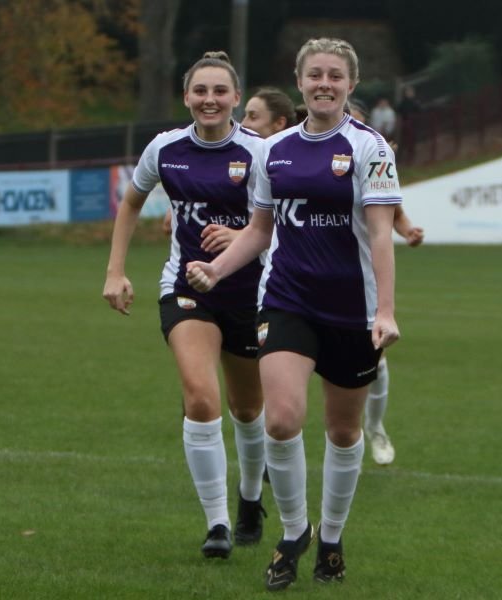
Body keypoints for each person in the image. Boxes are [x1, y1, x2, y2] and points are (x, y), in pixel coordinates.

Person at [185, 37, 401, 590]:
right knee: (281, 419)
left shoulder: (370, 147)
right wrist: (219, 269)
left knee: (344, 431)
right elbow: (259, 230)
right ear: (300, 83)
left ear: (350, 85)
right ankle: (293, 533)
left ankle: (331, 536)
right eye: (314, 75)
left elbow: (380, 233)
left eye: (335, 76)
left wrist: (386, 311)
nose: (324, 84)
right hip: (286, 300)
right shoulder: (272, 149)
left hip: (352, 311)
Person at [102, 51, 268, 560]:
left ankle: (250, 499)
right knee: (200, 397)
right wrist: (115, 270)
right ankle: (216, 522)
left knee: (248, 409)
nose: (210, 99)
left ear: (236, 98)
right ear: (186, 97)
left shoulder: (261, 151)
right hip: (187, 290)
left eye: (220, 91)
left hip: (250, 293)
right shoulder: (165, 149)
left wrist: (238, 235)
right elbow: (131, 202)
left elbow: (278, 222)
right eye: (201, 91)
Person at [347, 98, 423, 465]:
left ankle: (374, 428)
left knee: (373, 365)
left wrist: (408, 230)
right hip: (300, 280)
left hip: (361, 278)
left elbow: (392, 213)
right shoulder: (302, 156)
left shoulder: (373, 160)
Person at [161, 86, 297, 235]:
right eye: (244, 116)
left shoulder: (288, 167)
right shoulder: (238, 156)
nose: (244, 123)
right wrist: (181, 209)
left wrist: (240, 237)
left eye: (253, 116)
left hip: (260, 258)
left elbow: (294, 228)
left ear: (279, 123)